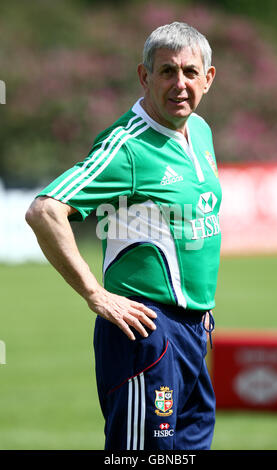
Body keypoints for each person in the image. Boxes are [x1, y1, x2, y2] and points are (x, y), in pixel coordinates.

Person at [26, 22, 221, 450]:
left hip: (192, 331)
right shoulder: (126, 147)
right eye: (167, 71)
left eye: (190, 72)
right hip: (146, 333)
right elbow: (44, 211)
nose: (179, 83)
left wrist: (198, 310)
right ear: (144, 76)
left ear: (208, 78)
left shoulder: (200, 132)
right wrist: (96, 294)